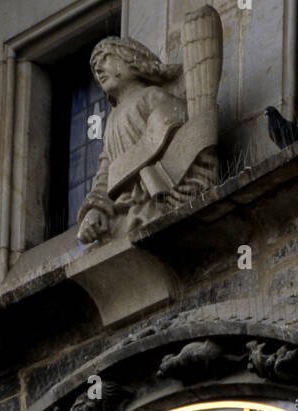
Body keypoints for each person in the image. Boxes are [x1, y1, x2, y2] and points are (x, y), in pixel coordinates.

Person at [77, 16, 221, 245]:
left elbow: (179, 137)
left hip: (158, 195)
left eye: (105, 59)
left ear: (130, 60)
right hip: (128, 205)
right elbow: (106, 171)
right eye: (95, 67)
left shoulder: (152, 96)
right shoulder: (111, 120)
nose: (99, 69)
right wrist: (96, 210)